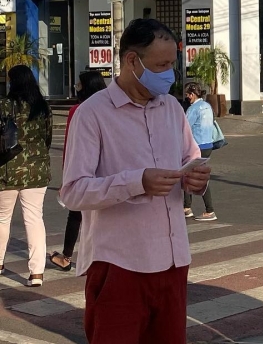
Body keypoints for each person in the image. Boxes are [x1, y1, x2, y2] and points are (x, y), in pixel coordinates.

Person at [61, 18, 211, 344]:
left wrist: (195, 178)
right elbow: (72, 192)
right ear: (132, 60)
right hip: (119, 265)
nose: (170, 74)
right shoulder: (93, 114)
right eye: (161, 65)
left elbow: (190, 157)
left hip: (172, 262)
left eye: (172, 64)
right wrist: (137, 182)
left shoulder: (171, 108)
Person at [0, 64, 52, 287]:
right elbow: (47, 137)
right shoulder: (42, 107)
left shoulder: (4, 105)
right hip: (37, 170)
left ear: (13, 82)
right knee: (34, 218)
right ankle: (37, 273)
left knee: (2, 219)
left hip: (7, 168)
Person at [50, 70, 107, 272]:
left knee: (75, 214)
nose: (76, 88)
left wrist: (67, 176)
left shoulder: (78, 110)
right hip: (107, 172)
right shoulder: (109, 107)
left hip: (83, 170)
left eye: (79, 85)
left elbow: (70, 146)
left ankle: (66, 256)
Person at [183, 81, 217, 221]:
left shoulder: (194, 109)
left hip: (196, 146)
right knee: (191, 175)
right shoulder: (207, 106)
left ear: (192, 94)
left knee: (191, 176)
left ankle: (209, 210)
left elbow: (184, 127)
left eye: (187, 95)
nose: (187, 97)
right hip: (208, 145)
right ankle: (186, 207)